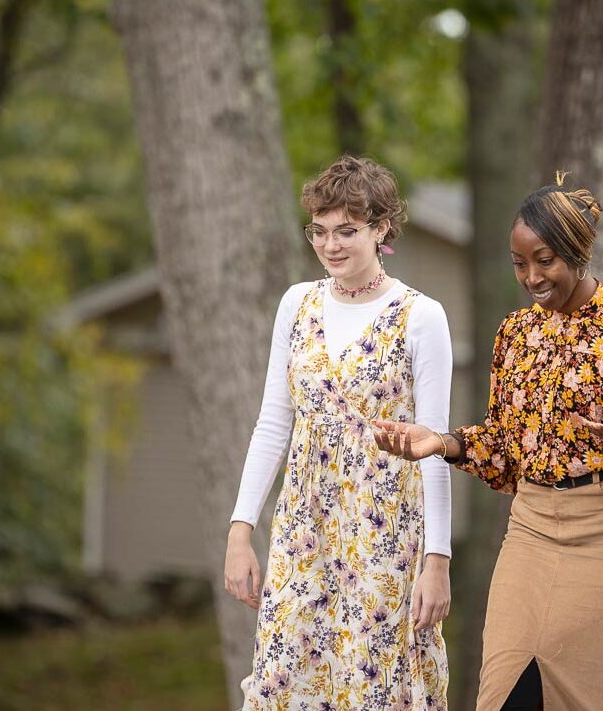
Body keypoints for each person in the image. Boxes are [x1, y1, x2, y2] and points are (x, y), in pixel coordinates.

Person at [372, 173, 603, 710]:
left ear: (578, 252)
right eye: (520, 263)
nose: (531, 277)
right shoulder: (516, 332)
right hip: (531, 537)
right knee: (507, 695)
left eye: (544, 260)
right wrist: (444, 443)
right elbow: (505, 451)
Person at [224, 156, 452, 710]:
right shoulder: (296, 304)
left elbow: (435, 447)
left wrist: (437, 561)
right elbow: (273, 423)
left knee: (374, 685)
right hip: (304, 529)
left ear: (381, 229)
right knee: (287, 679)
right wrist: (239, 531)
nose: (331, 245)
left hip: (385, 535)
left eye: (347, 231)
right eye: (320, 231)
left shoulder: (420, 316)